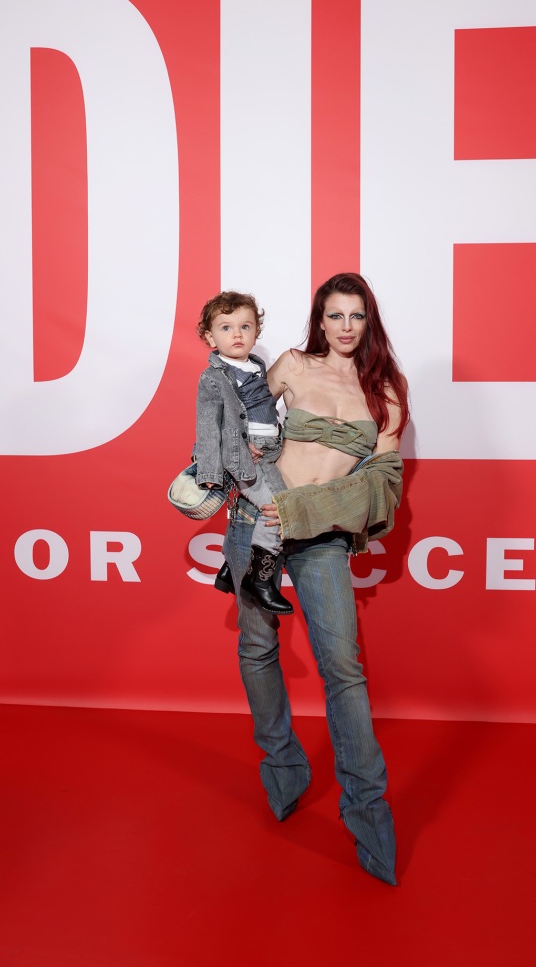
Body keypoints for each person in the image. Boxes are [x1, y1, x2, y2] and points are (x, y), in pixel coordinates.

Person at [222, 271, 409, 885]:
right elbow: (241, 419)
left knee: (343, 669)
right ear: (319, 319)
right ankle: (283, 767)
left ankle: (366, 810)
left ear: (369, 319)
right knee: (257, 648)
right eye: (335, 316)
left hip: (321, 535)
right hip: (259, 522)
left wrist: (305, 509)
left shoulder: (385, 390)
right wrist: (228, 467)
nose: (346, 327)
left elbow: (382, 489)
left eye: (356, 316)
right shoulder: (293, 366)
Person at [194, 291, 293, 616]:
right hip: (245, 457)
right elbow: (208, 426)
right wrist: (210, 472)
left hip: (270, 451)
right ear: (210, 336)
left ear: (256, 333)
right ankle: (259, 579)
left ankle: (228, 569)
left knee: (280, 500)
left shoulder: (255, 365)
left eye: (245, 326)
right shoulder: (212, 378)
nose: (236, 334)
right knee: (276, 508)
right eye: (226, 327)